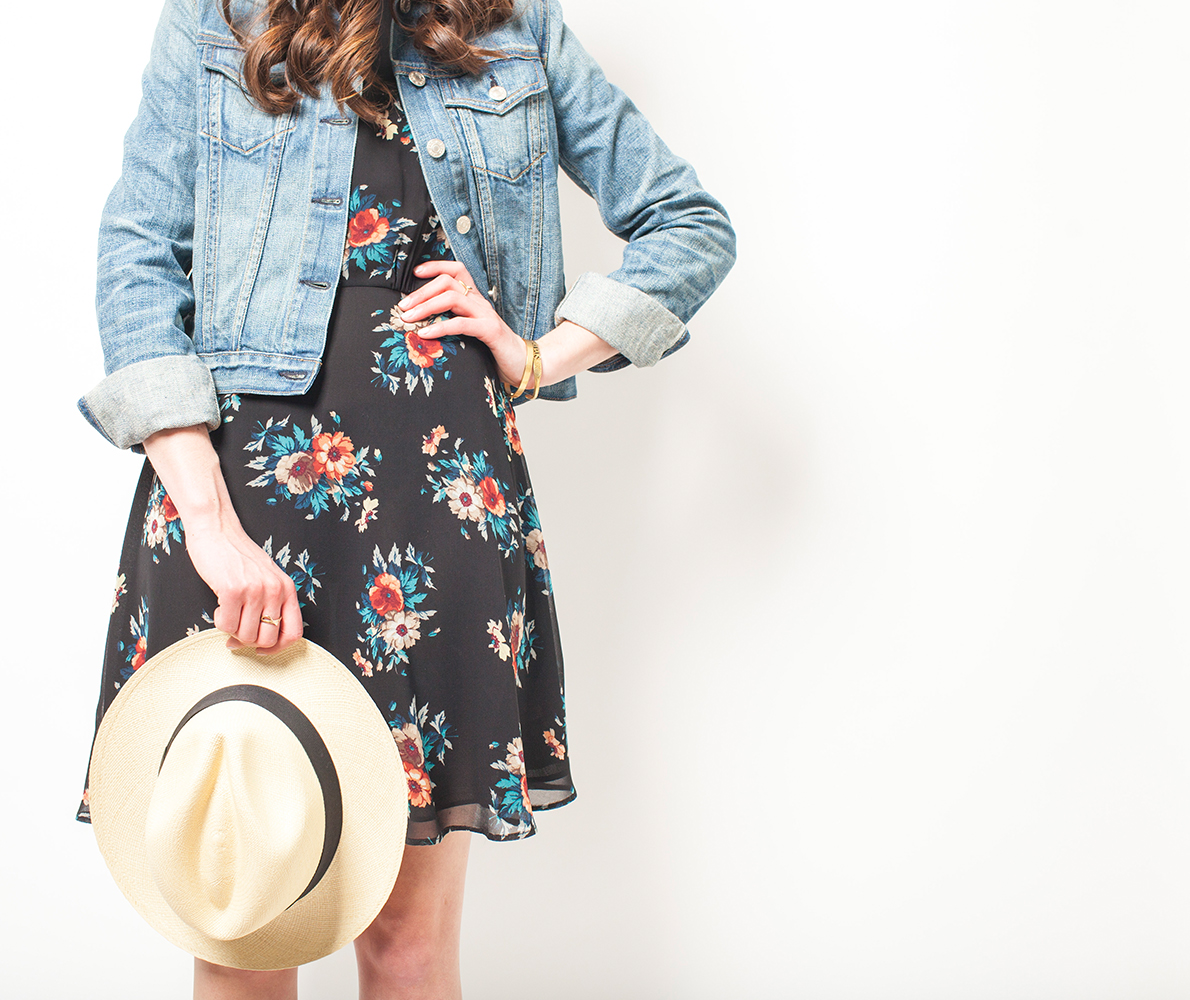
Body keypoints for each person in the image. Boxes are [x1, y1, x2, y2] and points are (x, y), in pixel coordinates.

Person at [74, 0, 735, 996]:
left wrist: (536, 353)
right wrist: (209, 527)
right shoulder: (217, 18)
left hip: (439, 501)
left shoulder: (515, 28)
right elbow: (136, 258)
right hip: (242, 498)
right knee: (246, 916)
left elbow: (690, 226)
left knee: (406, 941)